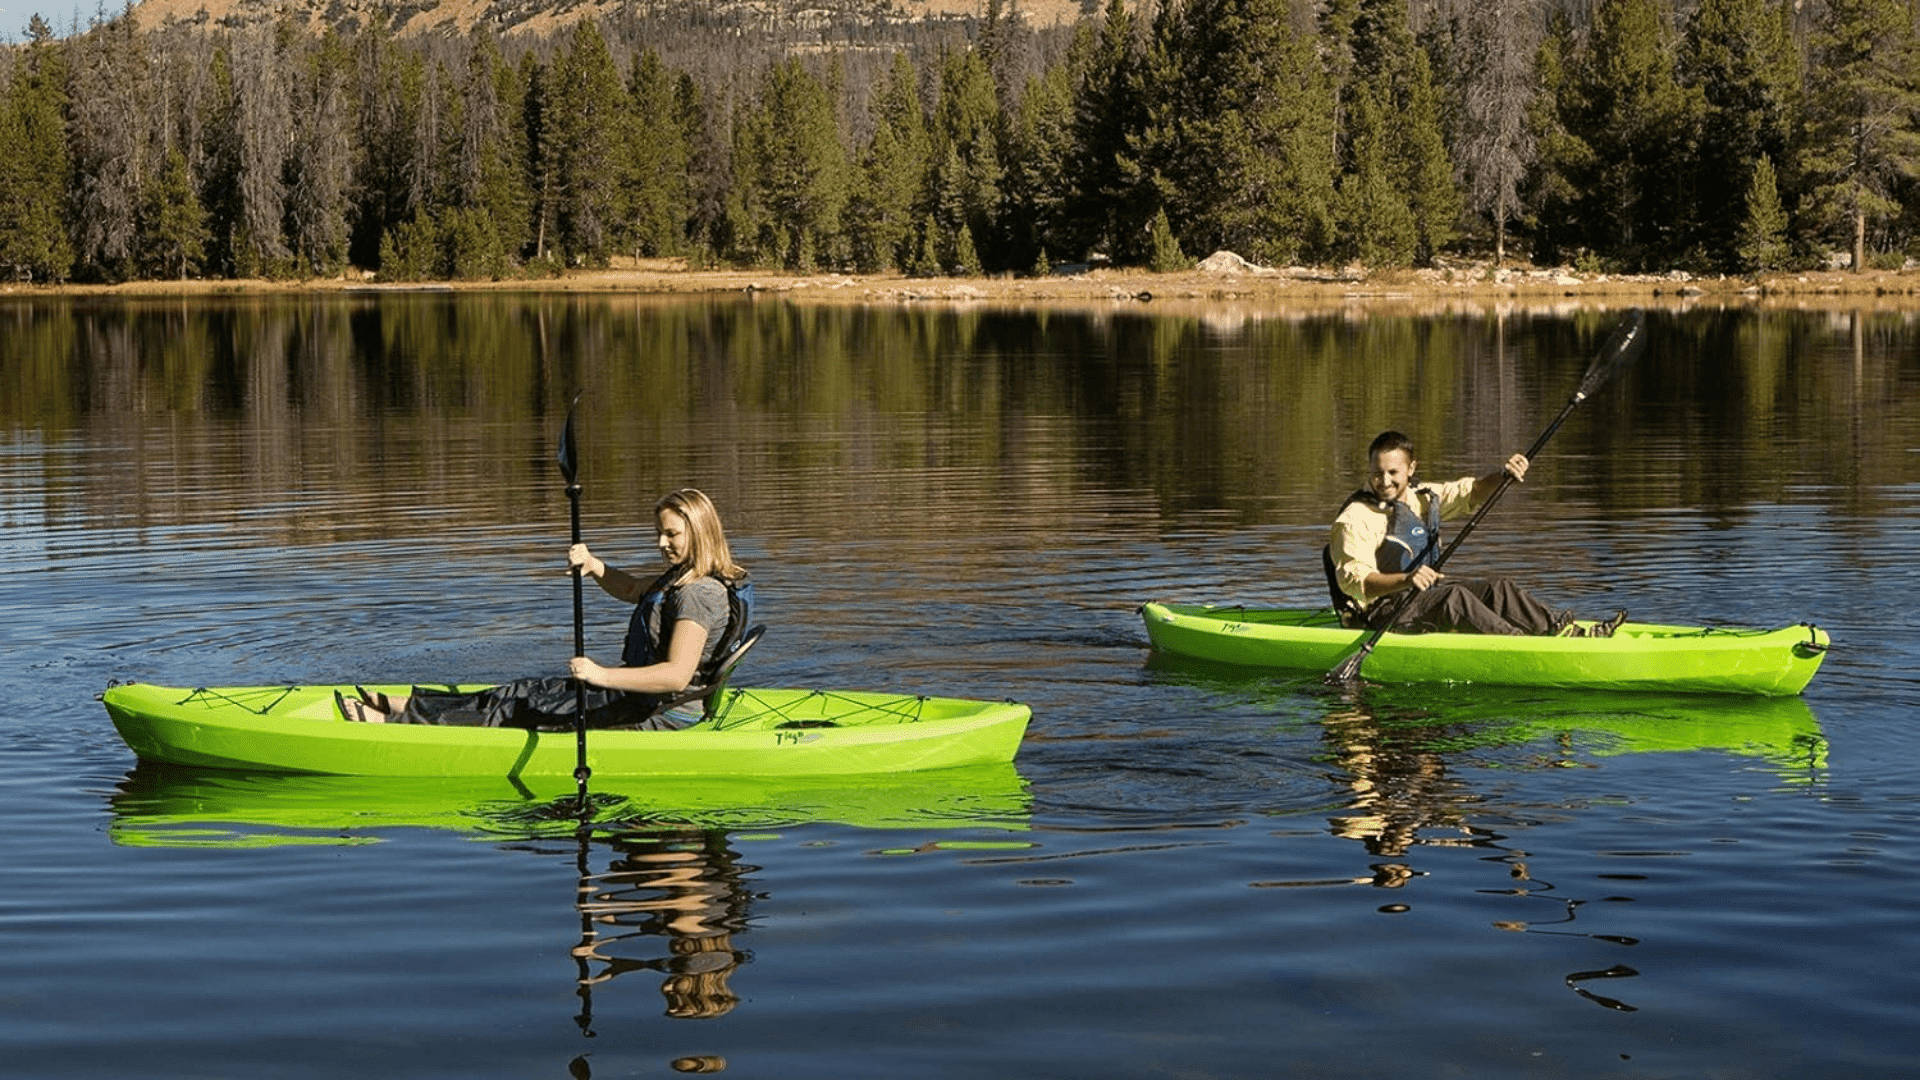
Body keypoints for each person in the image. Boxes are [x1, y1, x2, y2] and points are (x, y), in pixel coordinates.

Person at [339, 488, 753, 730]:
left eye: (671, 534)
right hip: (635, 695)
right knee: (522, 691)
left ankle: (399, 726)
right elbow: (631, 589)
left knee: (520, 710)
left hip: (661, 714)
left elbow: (677, 674)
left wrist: (601, 675)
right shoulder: (680, 576)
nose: (661, 543)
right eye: (658, 533)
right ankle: (410, 706)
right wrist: (594, 566)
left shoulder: (699, 594)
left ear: (699, 532)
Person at [1325, 430, 1624, 637]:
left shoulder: (1423, 498)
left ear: (1411, 469)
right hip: (1379, 614)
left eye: (1393, 473)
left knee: (1499, 588)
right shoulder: (1355, 519)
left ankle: (1564, 631)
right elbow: (1356, 583)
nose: (1384, 481)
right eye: (1377, 473)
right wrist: (1407, 579)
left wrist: (1505, 475)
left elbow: (1472, 491)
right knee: (1454, 597)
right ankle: (1518, 644)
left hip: (1419, 599)